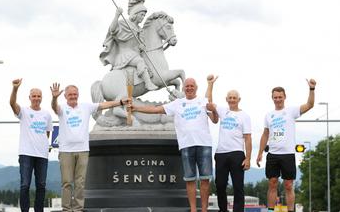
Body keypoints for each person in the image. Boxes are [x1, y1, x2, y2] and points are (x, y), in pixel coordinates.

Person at [130, 78, 218, 212]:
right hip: (186, 145)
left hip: (204, 144)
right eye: (187, 86)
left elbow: (215, 120)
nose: (189, 88)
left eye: (191, 86)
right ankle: (193, 209)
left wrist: (215, 110)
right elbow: (156, 110)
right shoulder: (177, 103)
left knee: (205, 179)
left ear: (196, 87)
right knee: (190, 179)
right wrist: (136, 108)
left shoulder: (203, 101)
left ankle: (204, 209)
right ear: (183, 88)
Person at [50, 83, 129, 212]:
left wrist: (120, 102)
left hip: (82, 150)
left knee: (80, 182)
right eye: (70, 94)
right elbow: (54, 107)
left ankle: (78, 208)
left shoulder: (85, 107)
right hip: (66, 151)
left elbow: (104, 105)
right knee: (67, 182)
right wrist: (54, 98)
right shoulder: (62, 109)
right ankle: (66, 208)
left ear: (78, 95)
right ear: (65, 96)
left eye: (75, 94)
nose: (73, 96)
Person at [256, 79, 316, 212]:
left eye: (280, 97)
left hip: (287, 154)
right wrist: (260, 153)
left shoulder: (291, 111)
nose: (278, 100)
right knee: (272, 184)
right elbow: (265, 134)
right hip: (273, 154)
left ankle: (290, 210)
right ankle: (271, 210)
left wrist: (312, 89)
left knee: (288, 185)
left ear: (284, 97)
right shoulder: (268, 115)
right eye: (275, 97)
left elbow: (310, 104)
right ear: (272, 98)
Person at [206, 75, 252, 212]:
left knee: (238, 186)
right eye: (230, 97)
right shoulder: (222, 110)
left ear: (239, 100)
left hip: (237, 153)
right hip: (221, 153)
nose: (232, 100)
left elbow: (248, 138)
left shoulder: (245, 116)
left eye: (234, 98)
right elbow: (208, 103)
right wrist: (210, 84)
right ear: (226, 99)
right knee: (220, 185)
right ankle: (223, 209)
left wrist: (248, 158)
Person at [9, 78, 53, 212]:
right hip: (26, 154)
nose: (36, 98)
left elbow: (47, 133)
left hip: (42, 155)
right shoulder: (24, 111)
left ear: (42, 98)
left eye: (39, 96)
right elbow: (12, 103)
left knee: (41, 185)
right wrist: (15, 88)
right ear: (29, 97)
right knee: (25, 185)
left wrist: (42, 145)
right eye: (34, 96)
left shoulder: (47, 114)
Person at [99, 0, 158, 91]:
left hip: (134, 54)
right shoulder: (124, 23)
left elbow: (140, 45)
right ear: (135, 14)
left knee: (146, 62)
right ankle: (148, 84)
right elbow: (113, 30)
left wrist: (141, 47)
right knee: (140, 61)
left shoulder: (139, 29)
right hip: (124, 55)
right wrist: (117, 16)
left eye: (144, 15)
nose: (143, 17)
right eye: (141, 15)